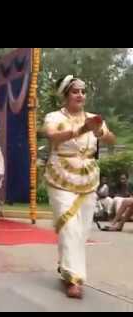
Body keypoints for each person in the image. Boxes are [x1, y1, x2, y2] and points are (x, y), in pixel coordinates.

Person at [43, 75, 116, 299]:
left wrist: (99, 132)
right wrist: (81, 129)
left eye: (83, 92)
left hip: (87, 177)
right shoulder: (53, 116)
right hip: (60, 174)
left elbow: (111, 139)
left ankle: (67, 267)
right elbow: (52, 136)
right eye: (75, 91)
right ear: (65, 95)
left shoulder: (95, 118)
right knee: (68, 226)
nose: (80, 95)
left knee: (82, 229)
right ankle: (74, 278)